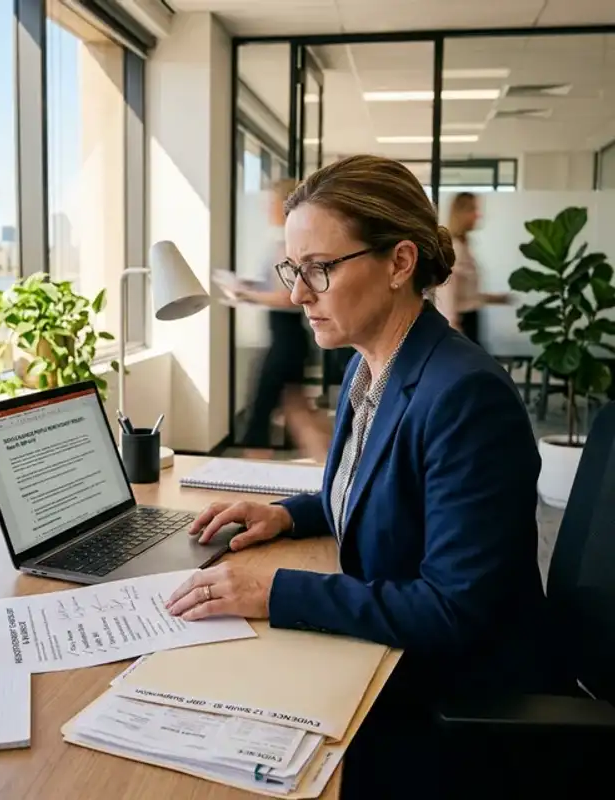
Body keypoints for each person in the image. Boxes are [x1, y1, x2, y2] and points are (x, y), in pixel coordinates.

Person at [165, 156, 568, 794]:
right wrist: (290, 513)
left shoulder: (464, 395)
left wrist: (276, 592)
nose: (299, 295)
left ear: (400, 264)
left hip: (447, 698)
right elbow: (379, 488)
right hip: (390, 658)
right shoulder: (368, 366)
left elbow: (452, 609)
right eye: (293, 270)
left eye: (319, 269)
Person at [230, 179, 328, 461]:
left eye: (271, 201)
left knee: (259, 418)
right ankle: (334, 470)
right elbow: (277, 286)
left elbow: (290, 298)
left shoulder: (291, 245)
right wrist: (249, 288)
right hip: (287, 338)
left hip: (286, 339)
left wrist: (248, 295)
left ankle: (255, 484)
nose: (266, 207)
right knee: (298, 412)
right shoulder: (282, 241)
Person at [434, 191, 509, 345]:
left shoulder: (464, 246)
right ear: (460, 214)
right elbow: (446, 288)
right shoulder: (455, 248)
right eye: (473, 210)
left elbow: (465, 291)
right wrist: (453, 329)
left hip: (470, 318)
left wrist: (492, 298)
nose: (478, 215)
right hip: (461, 322)